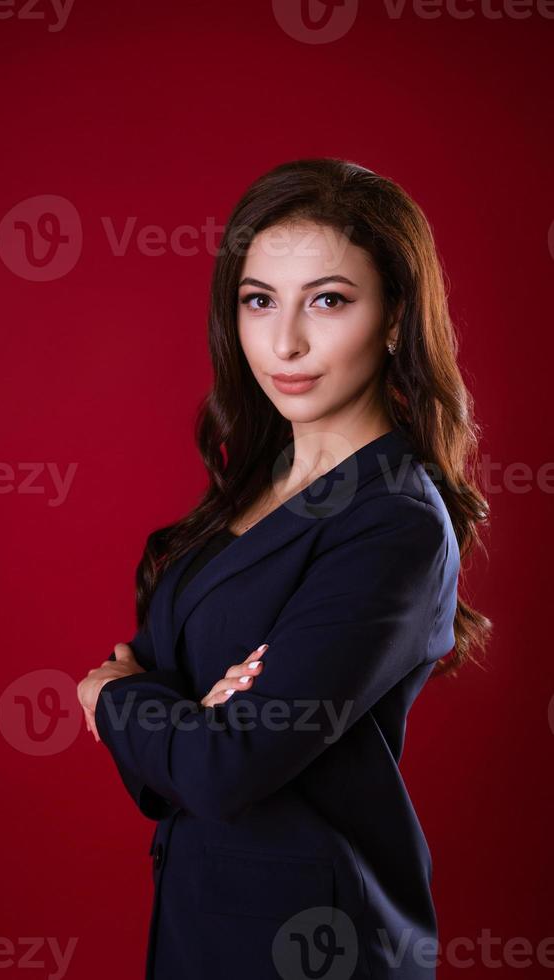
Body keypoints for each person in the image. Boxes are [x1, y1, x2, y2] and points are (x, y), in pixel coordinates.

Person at [77, 158, 492, 980]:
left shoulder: (393, 523)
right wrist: (189, 719)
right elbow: (183, 754)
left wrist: (114, 697)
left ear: (397, 318)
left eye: (329, 301)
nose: (285, 341)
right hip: (200, 918)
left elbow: (225, 766)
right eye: (259, 300)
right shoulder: (256, 483)